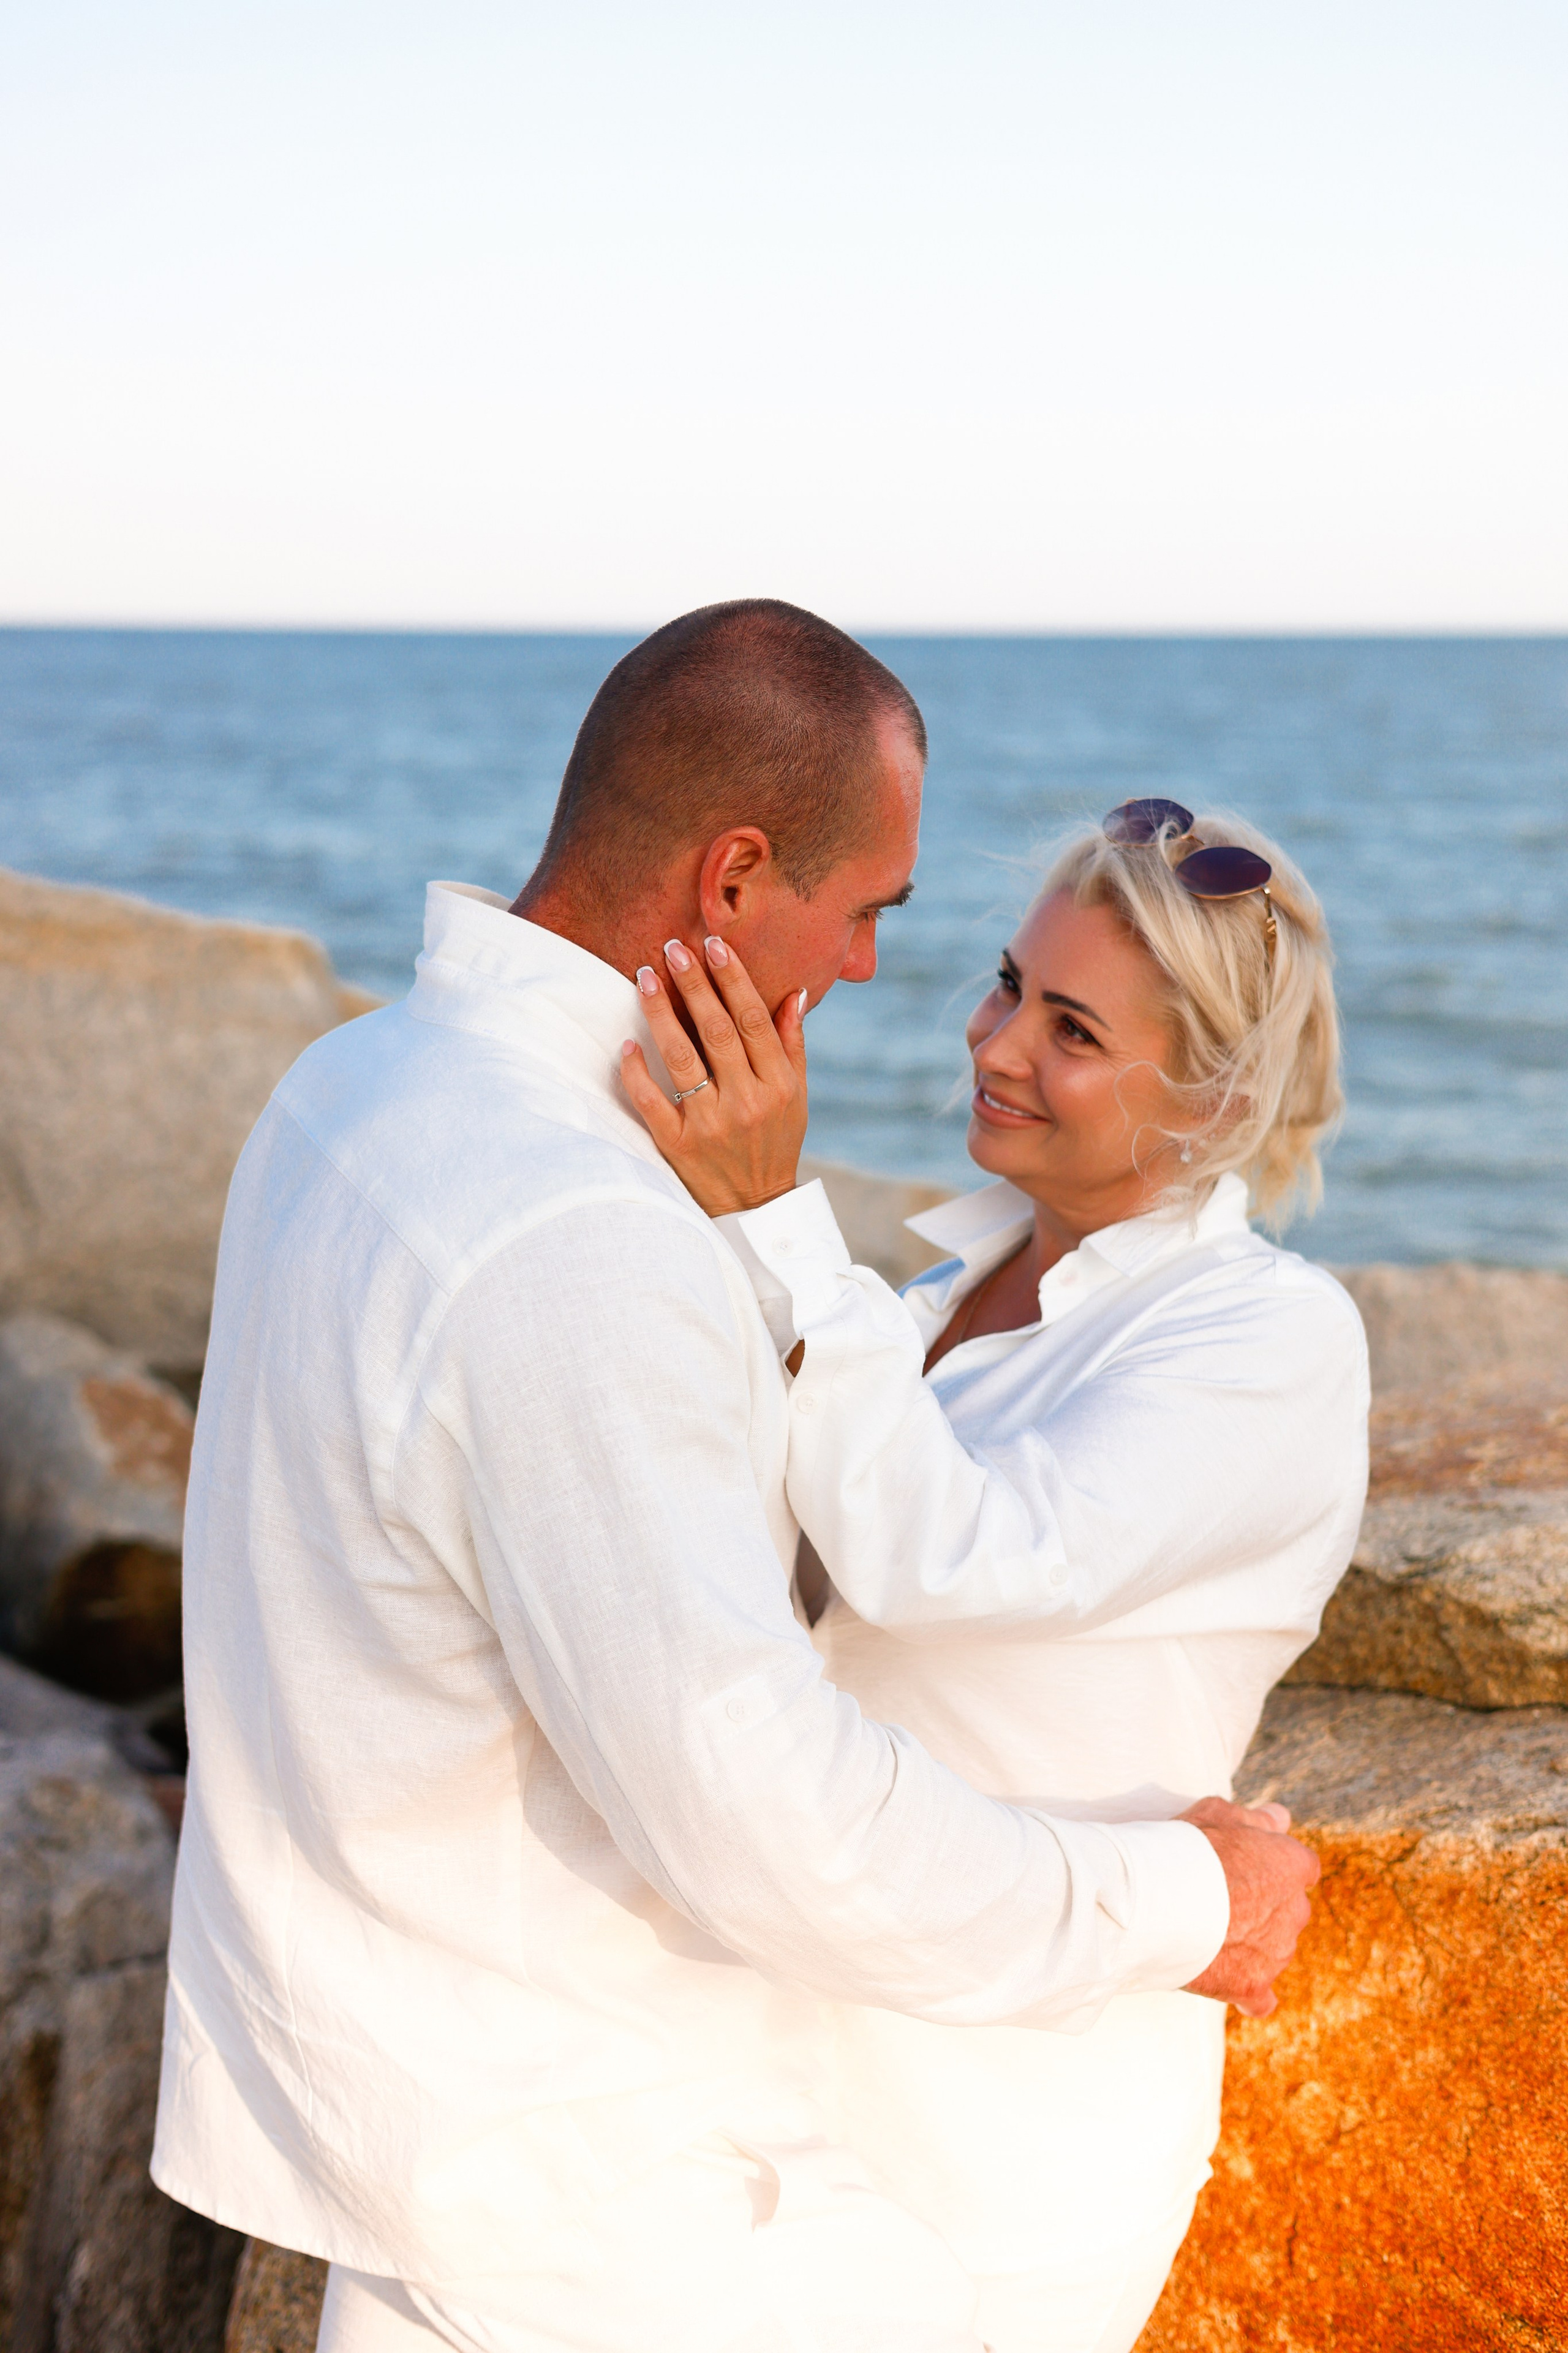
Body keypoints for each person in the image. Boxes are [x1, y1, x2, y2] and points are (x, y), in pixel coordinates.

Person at [151, 604, 1319, 2353]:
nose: (868, 975)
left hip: (423, 2151)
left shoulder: (349, 1088)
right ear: (734, 878)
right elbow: (758, 1804)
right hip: (616, 2211)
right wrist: (1184, 1897)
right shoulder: (577, 1232)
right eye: (867, 914)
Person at [621, 791, 1368, 2353]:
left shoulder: (1265, 1339)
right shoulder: (941, 1282)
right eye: (1006, 983)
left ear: (1218, 1099)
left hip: (1003, 2148)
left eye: (1074, 1028)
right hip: (780, 2077)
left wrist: (772, 1212)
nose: (997, 1042)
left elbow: (942, 1560)